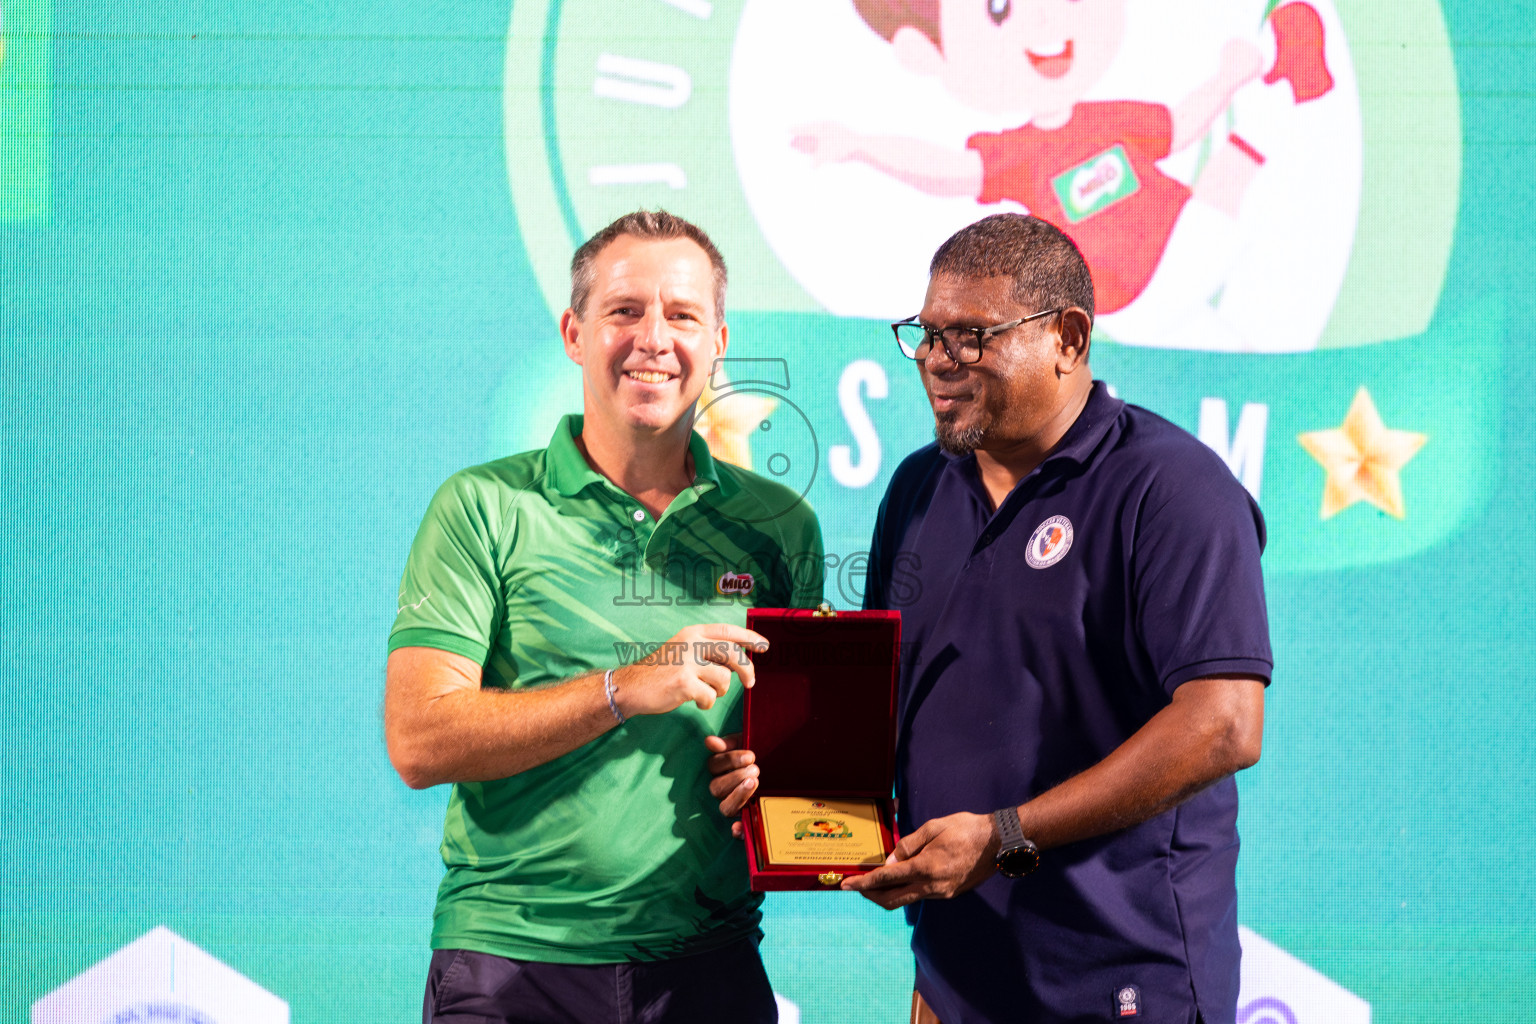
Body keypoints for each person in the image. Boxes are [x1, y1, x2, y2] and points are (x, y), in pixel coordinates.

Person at [711, 213, 1271, 1023]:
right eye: (927, 335)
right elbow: (884, 717)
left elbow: (1225, 726)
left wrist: (1004, 837)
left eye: (973, 336)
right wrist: (787, 792)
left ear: (1068, 340)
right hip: (953, 978)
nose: (939, 361)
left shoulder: (1174, 488)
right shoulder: (916, 488)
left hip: (1122, 981)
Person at [387, 210, 824, 1024]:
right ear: (575, 334)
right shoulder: (482, 507)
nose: (653, 338)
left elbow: (792, 758)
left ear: (719, 341)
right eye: (625, 310)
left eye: (682, 314)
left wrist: (772, 783)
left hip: (709, 964)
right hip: (510, 962)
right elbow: (419, 740)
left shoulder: (779, 526)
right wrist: (624, 687)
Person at [793, 0, 1335, 350]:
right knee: (1215, 341)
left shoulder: (1112, 119)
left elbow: (1181, 126)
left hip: (1188, 243)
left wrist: (1228, 77)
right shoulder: (1018, 153)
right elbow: (948, 170)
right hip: (1125, 310)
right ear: (928, 55)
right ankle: (1285, 87)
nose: (1046, 20)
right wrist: (859, 145)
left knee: (1230, 171)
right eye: (1002, 10)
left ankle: (1290, 79)